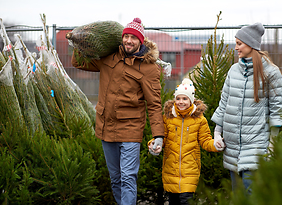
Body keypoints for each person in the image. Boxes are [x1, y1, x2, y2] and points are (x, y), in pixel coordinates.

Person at [72, 18, 164, 205]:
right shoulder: (109, 58)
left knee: (128, 177)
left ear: (141, 41)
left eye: (133, 38)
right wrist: (77, 42)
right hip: (106, 127)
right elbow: (79, 63)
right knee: (115, 178)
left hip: (130, 128)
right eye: (126, 36)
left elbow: (154, 104)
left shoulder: (149, 68)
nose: (129, 41)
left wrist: (159, 136)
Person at [211, 23, 282, 193]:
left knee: (251, 194)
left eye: (239, 44)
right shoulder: (233, 71)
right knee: (238, 196)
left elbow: (277, 110)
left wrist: (272, 144)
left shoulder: (272, 73)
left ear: (251, 45)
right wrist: (217, 133)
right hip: (232, 146)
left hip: (257, 145)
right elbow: (224, 104)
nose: (236, 48)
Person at [148, 78, 224, 205]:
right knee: (173, 202)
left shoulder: (200, 120)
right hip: (170, 170)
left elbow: (205, 141)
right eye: (178, 99)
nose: (181, 102)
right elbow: (162, 137)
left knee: (186, 201)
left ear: (191, 100)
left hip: (190, 170)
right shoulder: (168, 118)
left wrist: (216, 144)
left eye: (184, 99)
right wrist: (153, 144)